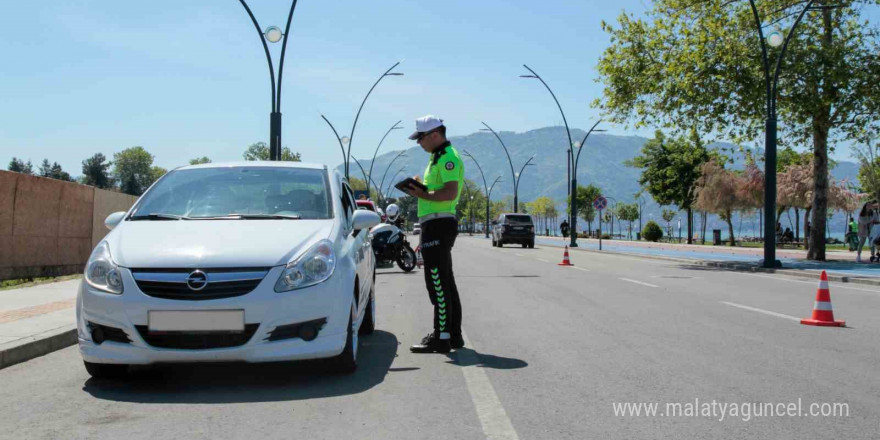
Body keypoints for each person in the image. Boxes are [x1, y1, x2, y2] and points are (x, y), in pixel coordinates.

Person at [402, 115, 465, 353]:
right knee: (446, 282)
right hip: (435, 224)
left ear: (435, 135)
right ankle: (454, 336)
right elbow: (437, 189)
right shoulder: (436, 158)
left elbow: (449, 192)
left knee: (436, 283)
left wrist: (422, 194)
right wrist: (421, 187)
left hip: (439, 225)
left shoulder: (448, 158)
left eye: (421, 138)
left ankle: (441, 338)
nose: (419, 143)